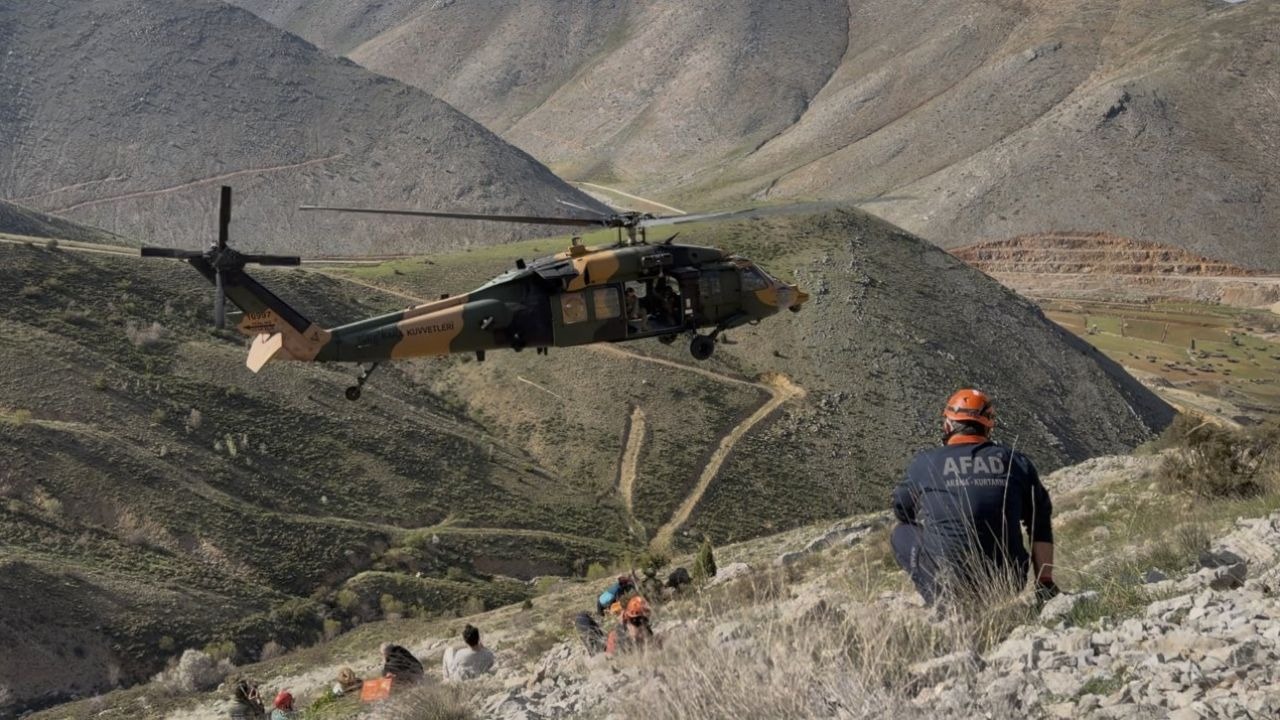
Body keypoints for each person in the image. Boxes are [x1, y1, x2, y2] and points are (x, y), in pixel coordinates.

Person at [890, 388, 1057, 608]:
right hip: (1007, 581)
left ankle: (941, 602)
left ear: (949, 425)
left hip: (949, 581)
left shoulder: (925, 463)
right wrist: (1045, 582)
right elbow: (1040, 523)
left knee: (901, 532)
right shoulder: (1016, 462)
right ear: (988, 427)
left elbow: (902, 510)